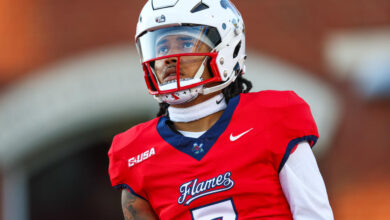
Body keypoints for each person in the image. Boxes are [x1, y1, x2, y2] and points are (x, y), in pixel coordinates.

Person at [108, 0, 334, 219]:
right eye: (162, 47)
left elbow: (314, 214)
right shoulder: (134, 153)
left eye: (186, 43)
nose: (168, 58)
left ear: (226, 48)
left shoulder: (273, 117)